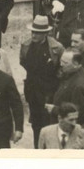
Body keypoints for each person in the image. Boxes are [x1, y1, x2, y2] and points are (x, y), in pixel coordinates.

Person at [20, 15, 65, 148]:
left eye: (38, 33)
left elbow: (61, 68)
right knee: (35, 123)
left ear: (45, 33)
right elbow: (23, 62)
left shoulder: (56, 48)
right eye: (33, 32)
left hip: (48, 92)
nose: (34, 35)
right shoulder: (26, 45)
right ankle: (37, 148)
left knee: (48, 123)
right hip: (32, 91)